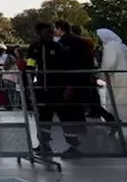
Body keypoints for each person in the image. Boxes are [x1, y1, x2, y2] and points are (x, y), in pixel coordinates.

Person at [27, 22, 92, 157]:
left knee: (66, 118)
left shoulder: (60, 48)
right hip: (43, 89)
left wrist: (69, 86)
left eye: (51, 31)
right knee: (44, 118)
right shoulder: (34, 48)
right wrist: (28, 82)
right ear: (39, 33)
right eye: (47, 32)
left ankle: (73, 146)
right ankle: (43, 144)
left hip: (59, 89)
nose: (51, 34)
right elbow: (31, 65)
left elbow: (68, 67)